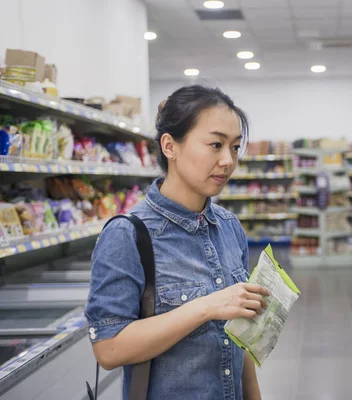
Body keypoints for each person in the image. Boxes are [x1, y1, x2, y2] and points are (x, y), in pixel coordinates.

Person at [85, 85, 269, 400]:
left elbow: (242, 336)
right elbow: (109, 347)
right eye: (215, 144)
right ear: (170, 146)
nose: (228, 160)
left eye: (236, 147)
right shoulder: (128, 235)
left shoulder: (229, 228)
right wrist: (206, 307)